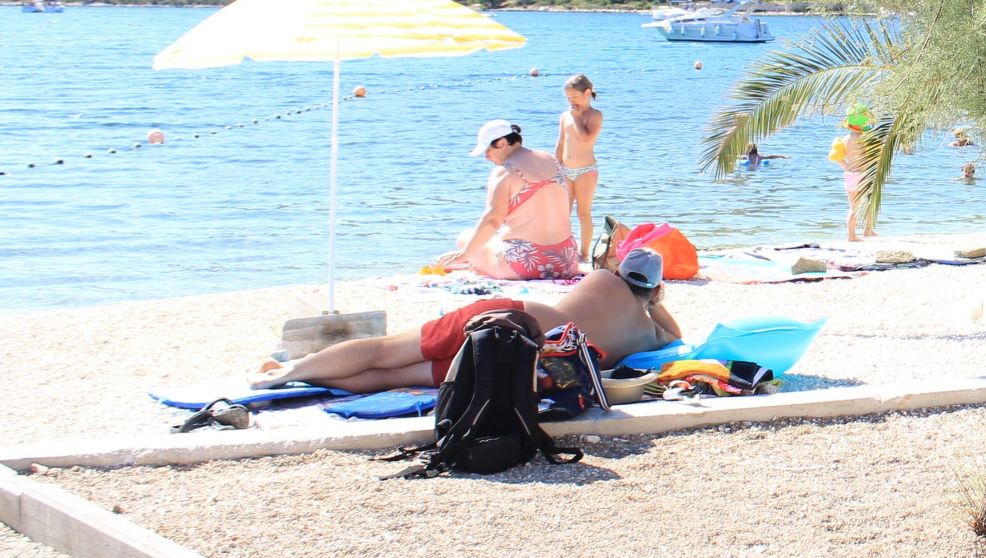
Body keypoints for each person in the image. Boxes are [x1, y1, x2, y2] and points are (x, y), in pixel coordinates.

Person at [251, 250, 685, 399]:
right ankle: (302, 380)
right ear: (657, 288)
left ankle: (292, 373)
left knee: (387, 348)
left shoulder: (603, 279)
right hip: (525, 361)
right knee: (392, 376)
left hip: (509, 316)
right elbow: (676, 336)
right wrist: (656, 305)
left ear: (622, 269)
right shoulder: (648, 335)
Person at [447, 120, 578, 279]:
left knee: (465, 238)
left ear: (502, 143)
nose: (486, 157)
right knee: (488, 242)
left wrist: (465, 254)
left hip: (526, 265)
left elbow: (493, 220)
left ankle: (475, 264)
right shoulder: (549, 159)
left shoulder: (504, 172)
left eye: (487, 150)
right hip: (566, 262)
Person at [555, 76, 604, 266]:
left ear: (587, 93)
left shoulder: (595, 115)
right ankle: (563, 249)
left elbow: (586, 140)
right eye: (568, 98)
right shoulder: (565, 116)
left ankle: (584, 252)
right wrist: (556, 166)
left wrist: (576, 118)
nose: (571, 102)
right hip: (565, 170)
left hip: (586, 170)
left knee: (583, 212)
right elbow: (561, 142)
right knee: (562, 212)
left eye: (574, 97)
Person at [832, 106, 876, 241]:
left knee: (854, 207)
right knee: (870, 203)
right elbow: (872, 157)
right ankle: (861, 233)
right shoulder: (865, 139)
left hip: (851, 176)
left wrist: (847, 167)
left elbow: (837, 157)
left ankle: (855, 234)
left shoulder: (844, 140)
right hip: (864, 176)